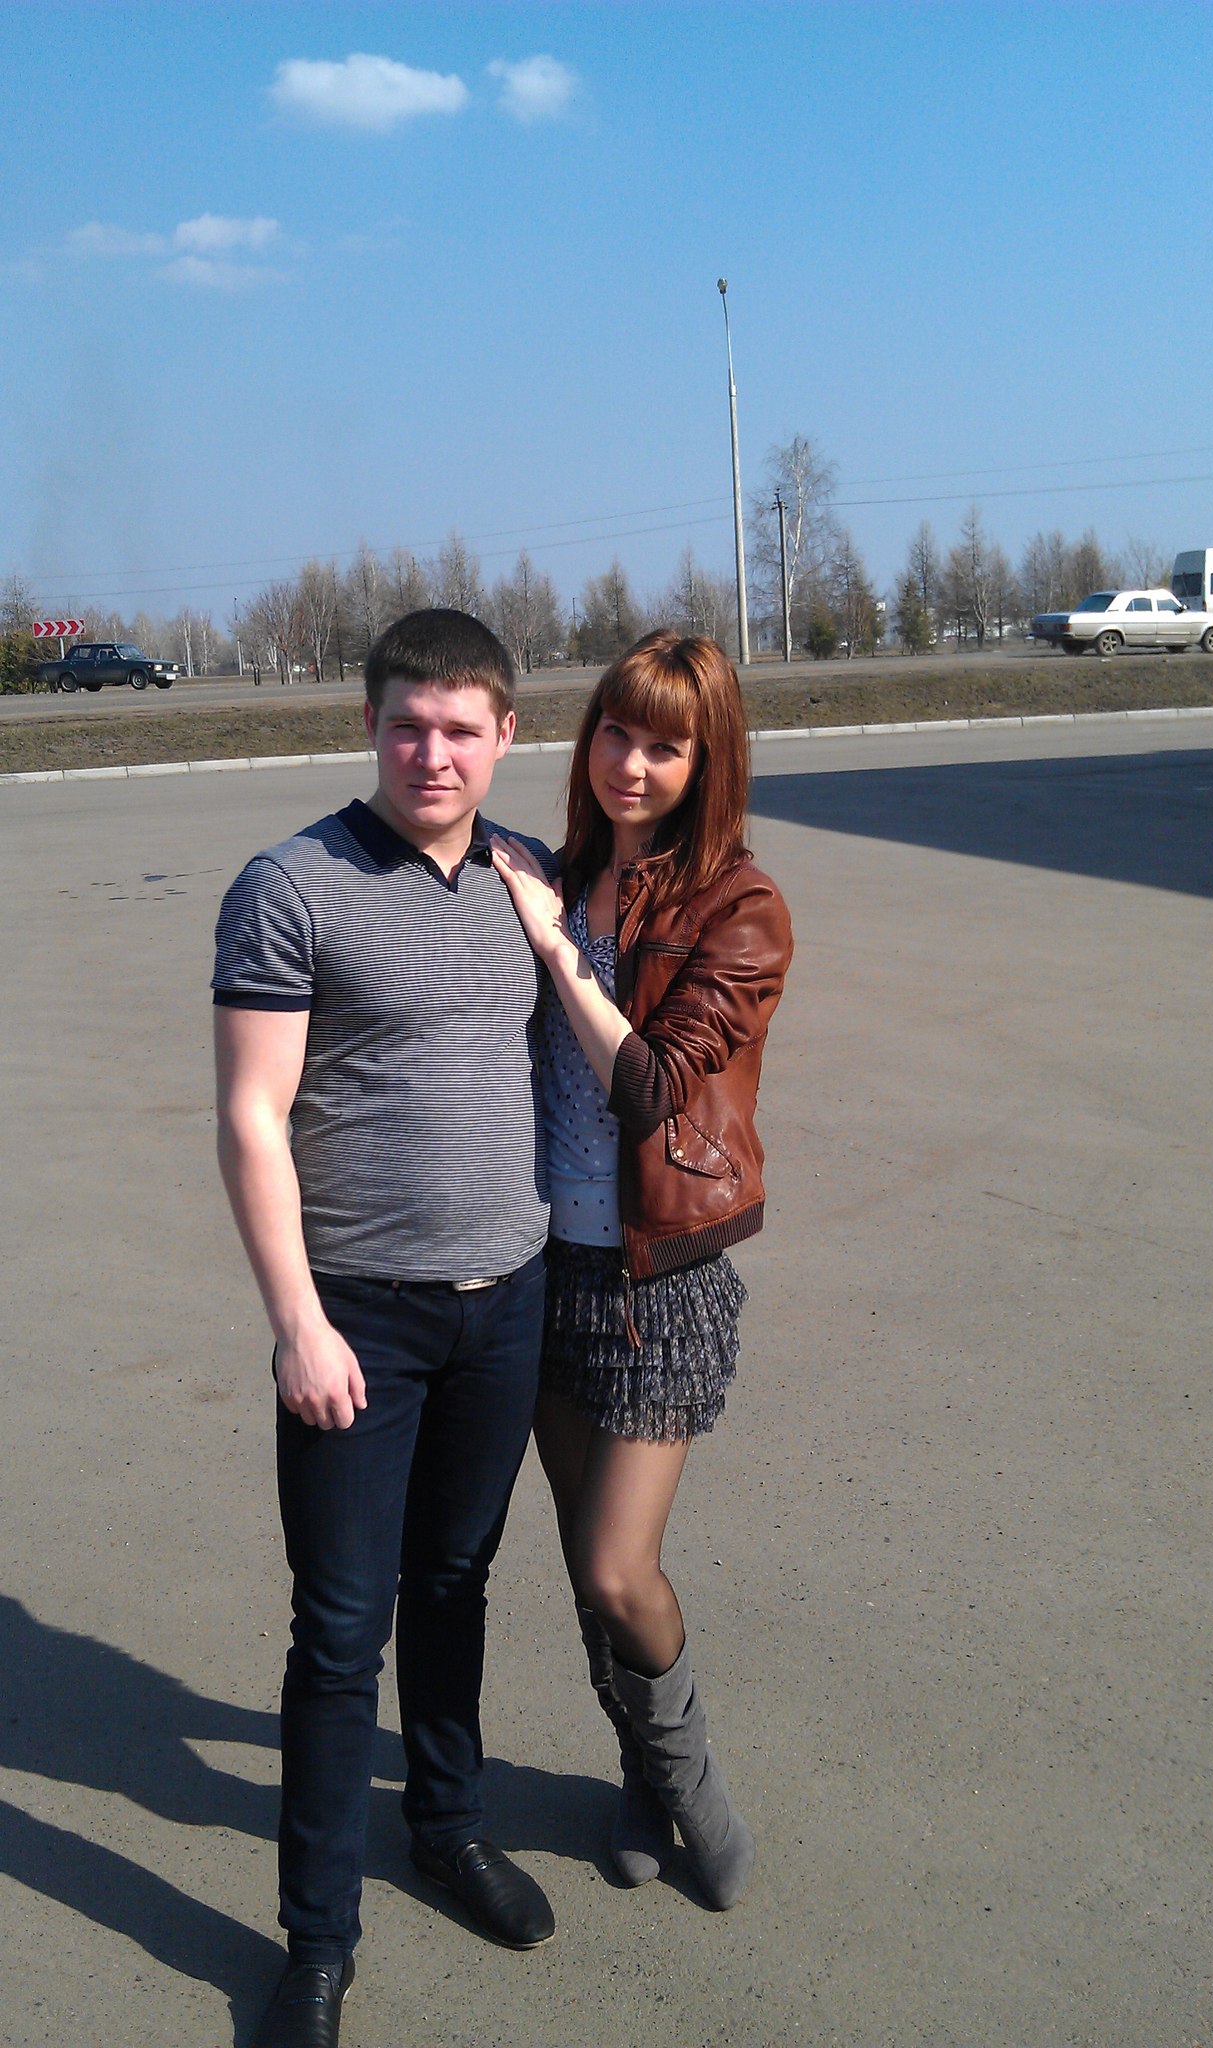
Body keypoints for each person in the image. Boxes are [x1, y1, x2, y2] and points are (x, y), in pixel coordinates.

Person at [213, 610, 556, 2048]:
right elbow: (251, 1115)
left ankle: (448, 1824)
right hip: (358, 1317)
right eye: (408, 723)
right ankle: (316, 1940)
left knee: (456, 1582)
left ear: (505, 735)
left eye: (461, 728)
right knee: (342, 1630)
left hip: (508, 1300)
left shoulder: (526, 876)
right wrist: (297, 1321)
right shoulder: (291, 887)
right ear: (369, 723)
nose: (433, 752)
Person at [490, 629, 792, 1912]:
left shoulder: (738, 906)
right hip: (540, 1264)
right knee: (582, 1563)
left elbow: (651, 1084)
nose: (630, 762)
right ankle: (635, 1776)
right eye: (615, 731)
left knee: (622, 1564)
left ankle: (694, 1785)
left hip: (656, 1277)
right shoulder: (555, 873)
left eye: (664, 744)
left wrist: (557, 947)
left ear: (705, 761)